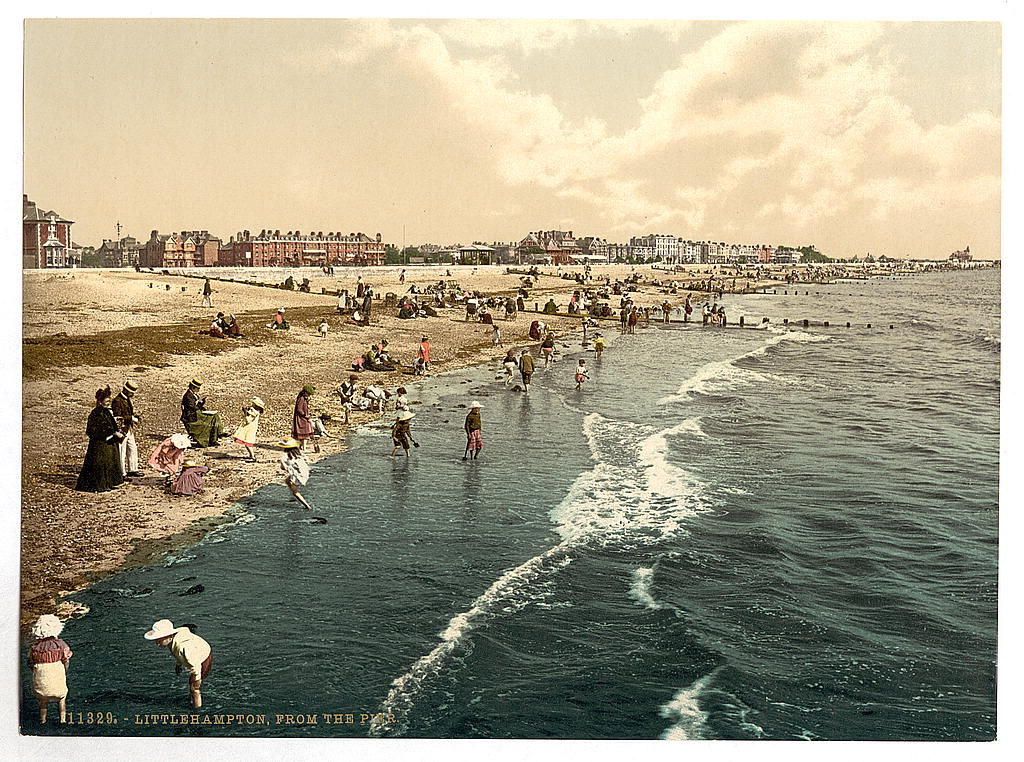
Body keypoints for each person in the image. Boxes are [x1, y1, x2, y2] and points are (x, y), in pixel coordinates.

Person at [144, 619, 211, 708]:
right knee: (191, 685)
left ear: (170, 636)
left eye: (159, 639)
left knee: (194, 688)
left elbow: (196, 666)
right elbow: (178, 654)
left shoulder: (184, 647)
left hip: (203, 656)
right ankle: (192, 700)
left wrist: (196, 680)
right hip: (194, 651)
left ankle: (197, 712)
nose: (156, 643)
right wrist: (178, 665)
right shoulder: (171, 641)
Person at [76, 386, 125, 492]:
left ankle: (109, 483)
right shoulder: (96, 413)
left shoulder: (106, 411)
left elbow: (110, 425)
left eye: (109, 400)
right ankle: (99, 485)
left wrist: (115, 432)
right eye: (106, 401)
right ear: (100, 401)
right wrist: (112, 433)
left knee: (109, 463)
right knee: (100, 465)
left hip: (108, 443)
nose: (108, 402)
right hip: (99, 444)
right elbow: (93, 430)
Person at [28, 614, 73, 724]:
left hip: (41, 689)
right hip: (58, 686)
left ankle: (43, 719)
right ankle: (63, 719)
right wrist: (65, 669)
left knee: (43, 700)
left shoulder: (34, 648)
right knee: (62, 698)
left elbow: (30, 663)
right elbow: (66, 660)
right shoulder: (61, 645)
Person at [112, 379, 142, 477]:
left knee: (132, 448)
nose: (132, 394)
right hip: (121, 429)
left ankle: (133, 469)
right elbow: (118, 417)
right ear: (126, 390)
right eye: (131, 392)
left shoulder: (126, 399)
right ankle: (121, 472)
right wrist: (131, 418)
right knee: (122, 450)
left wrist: (134, 417)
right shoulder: (117, 401)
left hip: (128, 428)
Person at [181, 378, 224, 447]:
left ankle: (217, 435)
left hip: (196, 413)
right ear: (193, 387)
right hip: (191, 416)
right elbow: (192, 407)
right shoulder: (188, 395)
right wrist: (201, 406)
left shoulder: (194, 395)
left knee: (215, 415)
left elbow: (196, 406)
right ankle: (217, 434)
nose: (198, 390)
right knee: (212, 417)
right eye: (197, 388)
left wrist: (201, 403)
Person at [279, 438, 312, 509]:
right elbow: (307, 460)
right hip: (304, 473)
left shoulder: (285, 456)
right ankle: (293, 496)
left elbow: (283, 468)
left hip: (296, 475)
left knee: (295, 492)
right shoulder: (299, 453)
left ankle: (307, 506)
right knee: (287, 481)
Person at [232, 397, 265, 461]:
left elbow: (248, 420)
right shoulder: (254, 412)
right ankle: (251, 455)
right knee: (247, 442)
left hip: (249, 429)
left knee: (248, 443)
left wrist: (245, 413)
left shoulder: (254, 412)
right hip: (250, 428)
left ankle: (252, 456)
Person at [292, 384, 315, 451]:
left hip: (303, 418)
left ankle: (301, 447)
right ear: (305, 392)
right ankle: (304, 448)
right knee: (305, 433)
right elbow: (299, 409)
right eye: (308, 394)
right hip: (301, 418)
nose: (309, 396)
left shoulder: (303, 398)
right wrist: (305, 415)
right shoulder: (301, 399)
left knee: (304, 433)